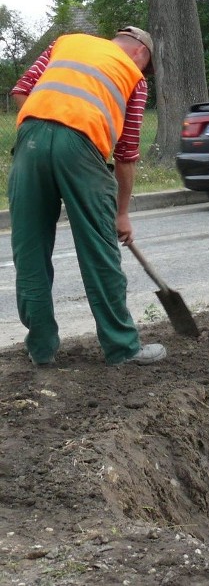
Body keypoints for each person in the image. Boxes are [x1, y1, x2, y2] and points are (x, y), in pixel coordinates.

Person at [9, 27, 167, 367]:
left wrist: (42, 130)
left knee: (30, 251)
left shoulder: (65, 43)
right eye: (147, 67)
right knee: (98, 251)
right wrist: (121, 213)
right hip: (81, 149)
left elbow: (22, 91)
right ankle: (122, 348)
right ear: (142, 54)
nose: (144, 74)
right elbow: (126, 154)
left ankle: (41, 348)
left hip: (29, 143)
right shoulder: (133, 77)